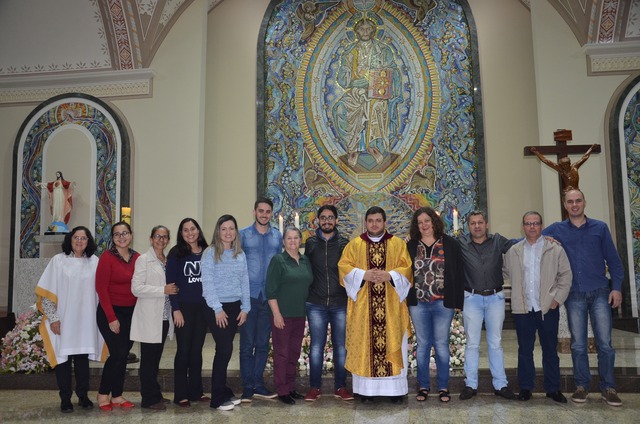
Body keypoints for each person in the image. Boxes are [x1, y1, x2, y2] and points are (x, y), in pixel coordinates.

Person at [542, 189, 624, 406]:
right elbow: (531, 238)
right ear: (565, 205)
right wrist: (543, 238)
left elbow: (614, 262)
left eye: (578, 200)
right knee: (578, 344)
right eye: (570, 202)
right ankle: (581, 386)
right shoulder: (557, 229)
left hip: (599, 292)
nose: (574, 204)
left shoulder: (600, 228)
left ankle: (609, 388)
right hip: (574, 294)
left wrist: (616, 288)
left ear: (584, 203)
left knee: (605, 343)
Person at [337, 206, 412, 404]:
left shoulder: (398, 245)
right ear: (366, 222)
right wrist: (363, 275)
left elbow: (407, 269)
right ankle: (366, 392)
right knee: (364, 345)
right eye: (370, 220)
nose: (374, 224)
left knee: (393, 343)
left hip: (391, 307)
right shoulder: (354, 245)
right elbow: (343, 267)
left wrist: (390, 275)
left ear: (385, 222)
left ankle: (395, 391)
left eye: (378, 220)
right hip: (363, 309)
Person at [502, 211, 572, 403]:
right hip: (523, 309)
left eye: (535, 223)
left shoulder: (554, 249)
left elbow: (566, 276)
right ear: (522, 226)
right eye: (528, 223)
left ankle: (553, 388)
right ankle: (525, 388)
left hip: (547, 308)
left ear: (541, 226)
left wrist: (556, 299)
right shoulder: (514, 251)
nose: (532, 227)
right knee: (524, 350)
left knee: (550, 349)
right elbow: (503, 270)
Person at [36, 226, 104, 413]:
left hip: (86, 320)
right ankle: (65, 398)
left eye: (84, 238)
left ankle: (83, 395)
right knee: (63, 360)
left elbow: (101, 291)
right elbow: (48, 293)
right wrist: (54, 318)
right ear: (70, 240)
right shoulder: (58, 261)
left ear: (88, 241)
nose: (80, 241)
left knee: (82, 359)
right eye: (76, 237)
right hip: (64, 320)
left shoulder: (95, 262)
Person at [406, 207, 464, 403]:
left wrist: (457, 302)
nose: (424, 224)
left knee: (441, 345)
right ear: (417, 225)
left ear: (434, 221)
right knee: (422, 345)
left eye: (427, 220)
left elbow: (458, 273)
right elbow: (405, 275)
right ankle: (423, 386)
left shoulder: (450, 243)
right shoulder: (411, 245)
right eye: (420, 222)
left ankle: (443, 387)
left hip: (443, 304)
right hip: (418, 304)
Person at [458, 210, 516, 401]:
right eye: (473, 223)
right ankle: (470, 384)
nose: (477, 226)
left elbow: (520, 244)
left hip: (495, 299)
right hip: (471, 299)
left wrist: (544, 238)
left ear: (487, 224)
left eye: (480, 222)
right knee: (472, 343)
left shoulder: (498, 241)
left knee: (495, 343)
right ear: (468, 226)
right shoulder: (461, 243)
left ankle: (500, 384)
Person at [333, 18, 401, 167]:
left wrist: (378, 76)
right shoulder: (350, 52)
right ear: (356, 31)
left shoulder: (383, 50)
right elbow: (343, 80)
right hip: (356, 92)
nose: (365, 32)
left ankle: (373, 147)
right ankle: (354, 148)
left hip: (377, 92)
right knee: (340, 109)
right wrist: (351, 74)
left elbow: (393, 71)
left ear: (373, 31)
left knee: (375, 106)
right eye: (361, 29)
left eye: (368, 29)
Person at [303, 205, 353, 402]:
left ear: (336, 220)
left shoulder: (345, 244)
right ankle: (314, 387)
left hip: (340, 302)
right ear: (318, 221)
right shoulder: (311, 243)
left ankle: (340, 387)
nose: (326, 221)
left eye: (330, 218)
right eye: (323, 218)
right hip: (316, 303)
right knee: (316, 347)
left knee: (341, 347)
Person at [201, 215, 251, 411]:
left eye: (231, 229)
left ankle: (222, 390)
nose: (228, 232)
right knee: (224, 349)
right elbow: (208, 284)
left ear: (236, 232)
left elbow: (244, 282)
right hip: (216, 308)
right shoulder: (210, 253)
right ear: (218, 231)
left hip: (235, 306)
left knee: (224, 350)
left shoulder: (240, 254)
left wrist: (245, 308)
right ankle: (217, 399)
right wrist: (217, 309)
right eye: (224, 229)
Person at [238, 198, 282, 402]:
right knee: (247, 344)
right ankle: (247, 386)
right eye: (261, 211)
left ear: (272, 214)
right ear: (254, 212)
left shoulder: (277, 236)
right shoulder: (244, 235)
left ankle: (258, 383)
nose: (264, 214)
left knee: (263, 344)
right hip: (249, 297)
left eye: (268, 211)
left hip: (269, 297)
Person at [130, 225, 179, 410]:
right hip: (150, 316)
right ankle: (148, 399)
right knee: (148, 361)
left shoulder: (167, 260)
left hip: (164, 317)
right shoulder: (143, 260)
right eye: (158, 236)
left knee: (156, 359)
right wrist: (162, 290)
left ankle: (155, 393)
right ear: (151, 239)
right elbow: (136, 288)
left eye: (165, 237)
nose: (161, 240)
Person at [166, 218, 210, 407]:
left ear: (198, 231)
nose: (190, 233)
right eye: (186, 230)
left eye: (193, 229)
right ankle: (181, 394)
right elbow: (171, 284)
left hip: (202, 308)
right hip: (183, 308)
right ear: (181, 233)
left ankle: (196, 391)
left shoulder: (208, 252)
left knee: (197, 351)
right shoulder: (176, 253)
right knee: (183, 350)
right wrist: (176, 309)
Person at [95, 221, 140, 410]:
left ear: (131, 235)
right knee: (118, 354)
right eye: (117, 234)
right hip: (110, 311)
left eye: (125, 233)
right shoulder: (107, 257)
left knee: (123, 356)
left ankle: (117, 395)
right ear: (112, 238)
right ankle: (103, 393)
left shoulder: (137, 257)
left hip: (131, 313)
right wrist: (112, 318)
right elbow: (101, 289)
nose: (122, 237)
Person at [266, 227, 313, 405]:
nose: (292, 241)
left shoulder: (305, 260)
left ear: (300, 240)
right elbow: (270, 290)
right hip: (282, 315)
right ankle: (282, 390)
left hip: (299, 315)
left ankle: (291, 387)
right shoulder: (278, 260)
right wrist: (277, 314)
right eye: (288, 238)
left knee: (294, 353)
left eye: (295, 238)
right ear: (283, 241)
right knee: (282, 354)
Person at [529, 144, 596, 191]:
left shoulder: (575, 167)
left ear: (569, 163)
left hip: (576, 190)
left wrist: (591, 149)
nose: (565, 166)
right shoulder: (561, 169)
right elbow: (546, 161)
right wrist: (536, 152)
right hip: (567, 192)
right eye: (563, 165)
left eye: (566, 164)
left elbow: (584, 158)